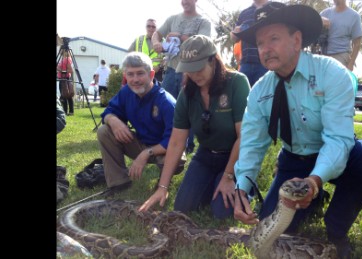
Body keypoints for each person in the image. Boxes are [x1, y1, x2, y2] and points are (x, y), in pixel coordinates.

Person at [232, 3, 362, 258]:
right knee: (273, 226)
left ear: (296, 40)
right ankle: (311, 202)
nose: (265, 48)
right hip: (294, 161)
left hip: (338, 155)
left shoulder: (331, 73)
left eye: (273, 38)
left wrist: (314, 182)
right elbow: (252, 144)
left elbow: (338, 140)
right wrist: (242, 187)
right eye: (260, 43)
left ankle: (336, 228)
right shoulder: (260, 91)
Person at [139, 35, 251, 219]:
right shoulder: (187, 94)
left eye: (198, 68)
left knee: (222, 213)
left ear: (213, 60)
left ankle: (235, 185)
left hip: (235, 157)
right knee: (182, 207)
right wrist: (163, 187)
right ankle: (210, 185)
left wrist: (229, 175)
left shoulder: (237, 83)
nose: (194, 75)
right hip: (206, 155)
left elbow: (244, 136)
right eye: (189, 70)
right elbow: (176, 142)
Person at [97, 52, 185, 193]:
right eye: (130, 74)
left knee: (178, 159)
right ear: (125, 76)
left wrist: (146, 154)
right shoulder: (126, 92)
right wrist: (113, 121)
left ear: (151, 74)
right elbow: (108, 111)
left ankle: (163, 183)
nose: (135, 79)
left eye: (140, 73)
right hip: (140, 143)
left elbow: (175, 141)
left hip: (165, 149)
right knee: (104, 131)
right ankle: (119, 183)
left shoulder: (167, 102)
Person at [152, 0, 212, 154]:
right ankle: (164, 141)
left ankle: (187, 145)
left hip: (191, 72)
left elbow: (202, 44)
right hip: (171, 70)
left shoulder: (203, 22)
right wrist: (156, 42)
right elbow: (156, 34)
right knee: (164, 105)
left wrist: (178, 36)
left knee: (190, 108)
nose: (185, 1)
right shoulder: (172, 19)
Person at [230, 0, 268, 86]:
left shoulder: (274, 8)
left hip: (267, 64)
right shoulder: (244, 13)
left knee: (265, 97)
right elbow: (234, 37)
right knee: (243, 96)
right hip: (245, 64)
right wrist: (235, 32)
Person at [320, 0, 362, 71]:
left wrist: (351, 63)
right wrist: (320, 20)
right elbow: (312, 26)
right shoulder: (324, 13)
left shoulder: (354, 16)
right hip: (323, 56)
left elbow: (357, 44)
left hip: (341, 56)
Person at [57, 49, 74, 115]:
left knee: (65, 95)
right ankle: (69, 111)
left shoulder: (66, 59)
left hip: (64, 78)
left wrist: (59, 69)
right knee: (65, 95)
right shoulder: (64, 58)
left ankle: (66, 111)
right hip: (62, 78)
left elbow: (70, 70)